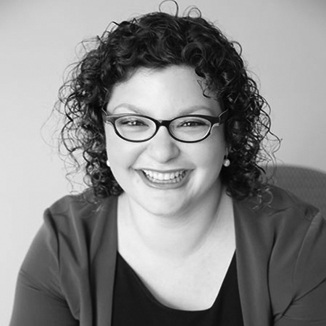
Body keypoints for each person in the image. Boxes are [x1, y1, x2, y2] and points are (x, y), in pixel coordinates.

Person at [9, 2, 326, 326]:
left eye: (190, 123)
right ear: (103, 134)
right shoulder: (64, 243)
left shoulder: (299, 244)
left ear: (230, 134)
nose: (162, 152)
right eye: (133, 122)